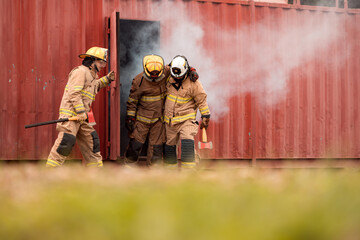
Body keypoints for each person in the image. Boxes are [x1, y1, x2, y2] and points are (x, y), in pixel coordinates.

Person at [124, 54, 199, 167]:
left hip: (158, 121)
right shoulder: (138, 81)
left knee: (156, 149)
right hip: (142, 120)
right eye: (152, 74)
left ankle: (155, 171)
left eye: (156, 74)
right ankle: (128, 167)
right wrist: (130, 117)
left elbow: (180, 64)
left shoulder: (165, 71)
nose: (154, 76)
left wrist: (191, 70)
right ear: (145, 69)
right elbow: (132, 101)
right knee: (135, 145)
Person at [46, 47, 115, 168]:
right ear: (92, 61)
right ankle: (50, 171)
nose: (103, 65)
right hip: (72, 115)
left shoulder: (92, 75)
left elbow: (94, 87)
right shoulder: (80, 72)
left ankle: (97, 175)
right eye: (101, 62)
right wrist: (81, 111)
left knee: (92, 142)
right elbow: (74, 93)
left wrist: (107, 79)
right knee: (65, 143)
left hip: (83, 117)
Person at [163, 55, 210, 170]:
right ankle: (170, 174)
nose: (177, 78)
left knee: (187, 144)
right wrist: (169, 66)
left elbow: (201, 100)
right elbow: (161, 72)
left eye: (180, 76)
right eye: (175, 76)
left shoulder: (194, 83)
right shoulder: (169, 76)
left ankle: (189, 173)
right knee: (169, 148)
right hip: (170, 121)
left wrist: (205, 116)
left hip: (186, 120)